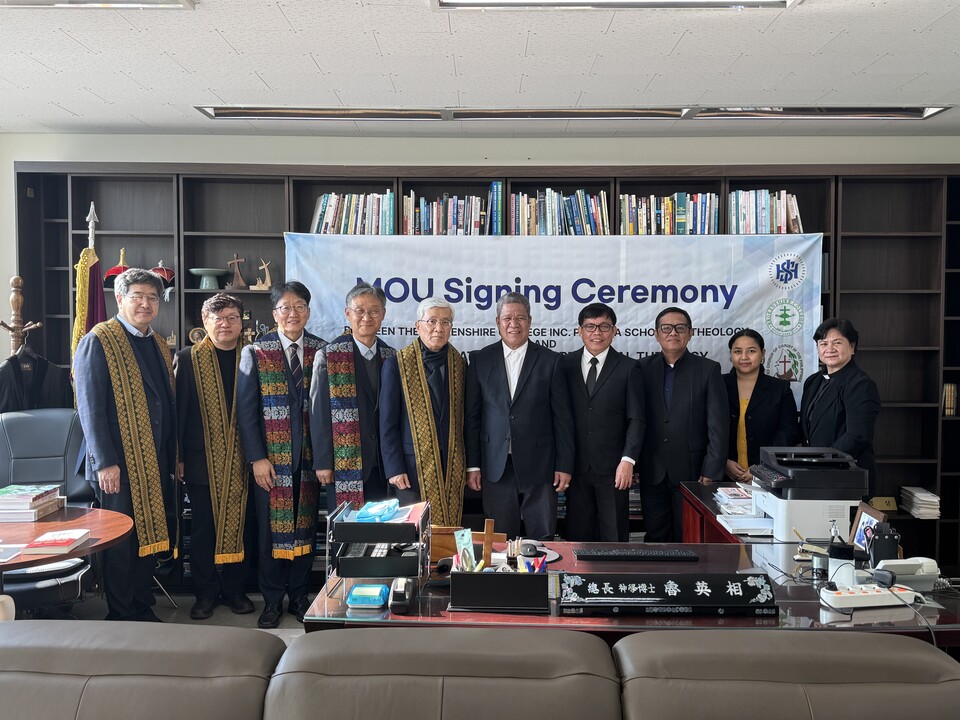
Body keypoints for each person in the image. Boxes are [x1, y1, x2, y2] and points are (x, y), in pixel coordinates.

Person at [74, 268, 176, 621]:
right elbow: (89, 408)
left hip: (153, 458)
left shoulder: (157, 343)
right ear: (120, 299)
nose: (146, 304)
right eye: (138, 297)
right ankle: (120, 612)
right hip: (116, 464)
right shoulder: (99, 340)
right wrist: (104, 462)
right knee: (121, 540)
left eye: (152, 298)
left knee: (149, 534)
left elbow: (165, 401)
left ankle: (141, 605)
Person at [237, 281, 326, 628]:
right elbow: (246, 411)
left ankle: (299, 596)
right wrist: (256, 458)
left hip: (309, 461)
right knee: (270, 533)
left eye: (299, 306)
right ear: (274, 313)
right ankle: (272, 600)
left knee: (305, 529)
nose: (293, 313)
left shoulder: (321, 350)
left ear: (308, 311)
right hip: (271, 461)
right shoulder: (257, 352)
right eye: (285, 307)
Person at [465, 292, 574, 540]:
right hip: (496, 464)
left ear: (530, 321)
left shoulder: (551, 361)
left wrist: (564, 465)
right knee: (500, 539)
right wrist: (473, 465)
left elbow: (563, 419)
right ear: (498, 322)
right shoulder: (480, 360)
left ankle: (542, 568)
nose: (513, 324)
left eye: (520, 318)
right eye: (507, 318)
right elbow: (472, 418)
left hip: (541, 464)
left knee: (543, 538)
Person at [174, 293, 254, 621]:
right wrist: (179, 456)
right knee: (204, 529)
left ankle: (235, 590)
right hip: (200, 459)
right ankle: (205, 593)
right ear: (205, 322)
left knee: (243, 526)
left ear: (241, 322)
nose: (225, 324)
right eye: (218, 318)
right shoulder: (188, 358)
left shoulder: (253, 355)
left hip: (244, 459)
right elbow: (179, 411)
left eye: (232, 318)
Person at [639, 306, 727, 542]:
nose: (673, 333)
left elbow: (718, 426)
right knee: (656, 537)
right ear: (656, 334)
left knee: (689, 536)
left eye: (680, 328)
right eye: (666, 328)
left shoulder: (708, 369)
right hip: (652, 469)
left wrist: (712, 469)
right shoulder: (641, 369)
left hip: (693, 472)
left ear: (690, 333)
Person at [559, 303, 645, 542]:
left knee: (614, 536)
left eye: (604, 326)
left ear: (614, 330)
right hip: (575, 467)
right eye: (590, 326)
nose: (597, 332)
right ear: (580, 331)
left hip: (613, 469)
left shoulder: (629, 368)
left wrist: (628, 460)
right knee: (577, 538)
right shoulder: (564, 365)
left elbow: (637, 420)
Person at [379, 298, 466, 527]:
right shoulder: (397, 364)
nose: (439, 328)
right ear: (418, 326)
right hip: (411, 470)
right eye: (432, 321)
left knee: (449, 533)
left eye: (445, 322)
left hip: (451, 468)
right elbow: (387, 422)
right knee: (413, 534)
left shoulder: (459, 365)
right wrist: (394, 468)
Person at [310, 282, 396, 512]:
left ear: (383, 314)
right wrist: (323, 462)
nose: (366, 317)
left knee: (382, 527)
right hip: (344, 462)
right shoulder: (329, 356)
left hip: (383, 465)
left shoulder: (391, 357)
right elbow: (319, 414)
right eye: (359, 311)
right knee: (347, 528)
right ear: (348, 314)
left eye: (374, 311)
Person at [800, 318, 880, 491]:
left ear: (852, 346)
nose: (829, 349)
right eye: (823, 344)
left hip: (846, 476)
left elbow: (857, 436)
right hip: (814, 474)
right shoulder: (813, 382)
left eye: (837, 343)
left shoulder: (861, 384)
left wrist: (820, 462)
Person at [723, 328, 800, 482]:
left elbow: (787, 432)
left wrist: (762, 466)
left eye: (751, 351)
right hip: (723, 475)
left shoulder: (780, 389)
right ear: (731, 355)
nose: (744, 357)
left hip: (768, 475)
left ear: (763, 354)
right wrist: (722, 462)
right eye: (737, 351)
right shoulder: (718, 385)